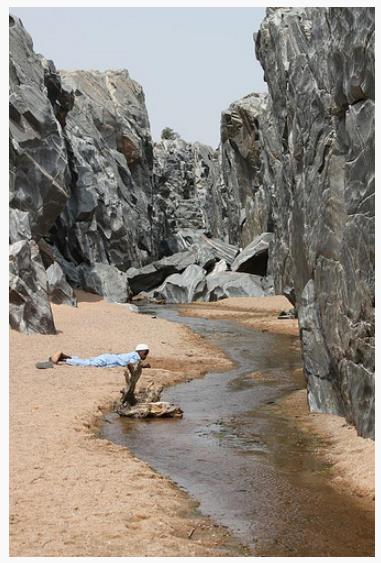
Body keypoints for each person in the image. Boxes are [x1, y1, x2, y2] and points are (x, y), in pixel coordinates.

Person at [45, 344, 150, 406]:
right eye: (146, 352)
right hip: (107, 361)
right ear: (141, 352)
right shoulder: (136, 356)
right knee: (88, 364)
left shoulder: (134, 354)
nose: (146, 354)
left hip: (107, 358)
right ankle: (65, 359)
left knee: (87, 361)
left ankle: (64, 357)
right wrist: (144, 366)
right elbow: (132, 364)